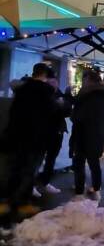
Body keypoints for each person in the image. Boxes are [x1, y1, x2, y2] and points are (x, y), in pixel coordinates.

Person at [2, 63, 57, 217]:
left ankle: (5, 202)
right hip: (35, 139)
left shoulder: (21, 90)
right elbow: (50, 115)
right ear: (45, 76)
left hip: (15, 136)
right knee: (29, 171)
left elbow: (14, 114)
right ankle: (22, 204)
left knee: (14, 169)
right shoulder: (45, 92)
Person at [70, 70, 104, 201]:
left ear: (88, 80)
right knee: (94, 164)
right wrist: (102, 129)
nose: (83, 82)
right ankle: (96, 189)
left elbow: (76, 117)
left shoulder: (85, 96)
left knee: (79, 163)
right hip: (97, 136)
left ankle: (79, 193)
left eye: (84, 79)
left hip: (81, 135)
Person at [36, 71, 73, 194]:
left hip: (57, 132)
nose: (54, 85)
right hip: (43, 131)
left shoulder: (59, 94)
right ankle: (31, 185)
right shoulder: (42, 95)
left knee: (51, 159)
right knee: (37, 158)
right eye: (51, 82)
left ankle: (45, 182)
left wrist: (64, 103)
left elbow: (68, 111)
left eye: (55, 83)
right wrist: (57, 106)